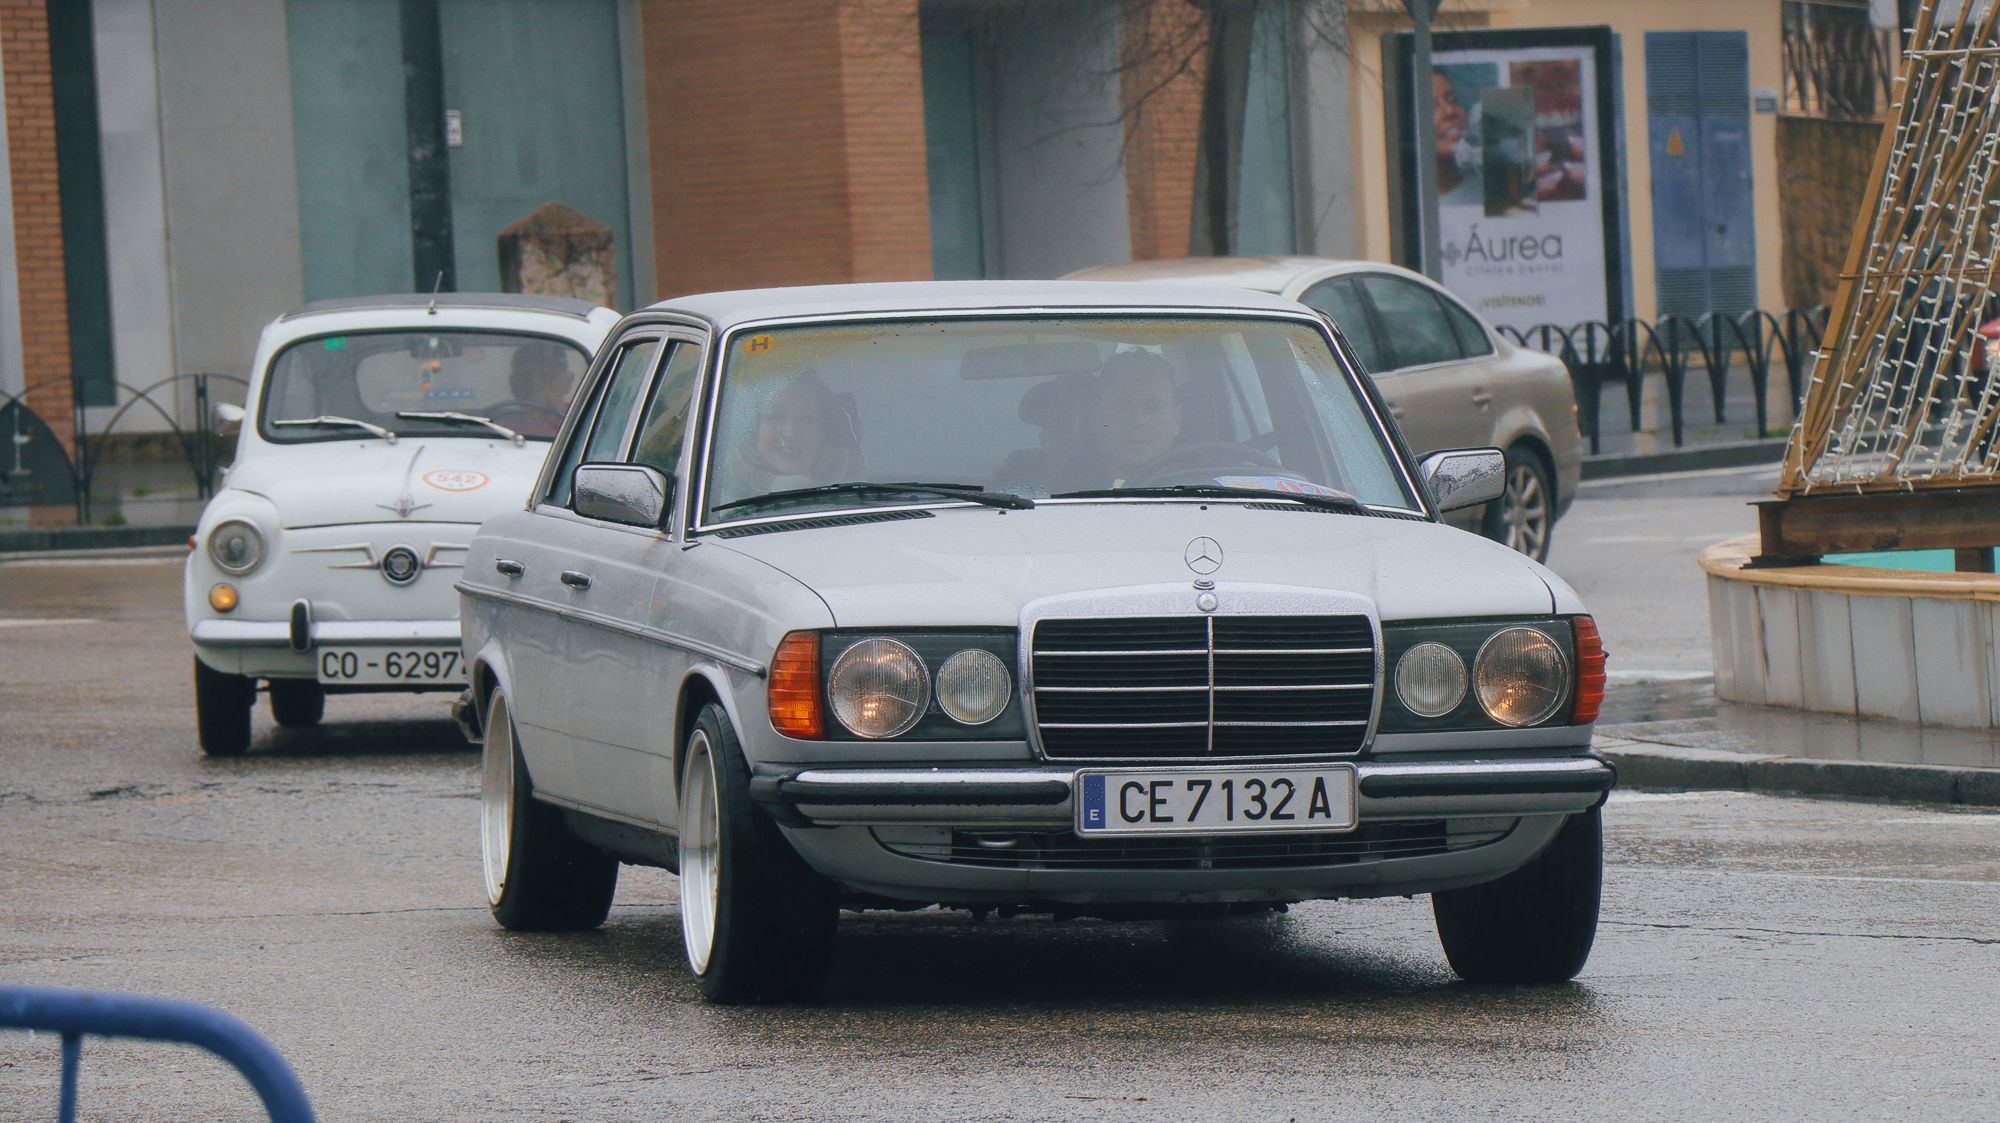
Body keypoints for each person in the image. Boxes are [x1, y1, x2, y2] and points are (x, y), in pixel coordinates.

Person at [717, 371, 861, 500]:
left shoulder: (862, 496)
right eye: (776, 418)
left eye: (806, 419)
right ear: (755, 429)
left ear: (823, 432)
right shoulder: (717, 498)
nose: (789, 432)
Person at [1088, 350, 1181, 488]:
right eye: (1122, 407)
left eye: (1153, 408)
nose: (1139, 420)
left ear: (1176, 420)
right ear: (1096, 418)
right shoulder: (1055, 494)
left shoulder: (1209, 494)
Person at [499, 342, 578, 437]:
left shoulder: (581, 424)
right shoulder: (499, 429)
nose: (535, 384)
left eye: (547, 376)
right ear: (513, 383)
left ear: (569, 381)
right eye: (526, 376)